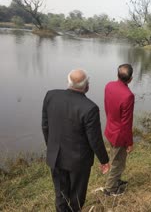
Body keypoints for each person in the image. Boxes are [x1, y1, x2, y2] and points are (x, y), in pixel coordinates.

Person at [42, 69, 110, 212]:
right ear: (87, 86)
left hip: (56, 156)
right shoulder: (90, 108)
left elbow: (45, 125)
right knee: (77, 196)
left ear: (68, 82)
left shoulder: (51, 95)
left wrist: (51, 147)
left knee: (60, 193)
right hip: (78, 161)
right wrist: (104, 160)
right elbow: (95, 139)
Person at [104, 64, 135, 196]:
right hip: (119, 135)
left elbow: (106, 107)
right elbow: (126, 123)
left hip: (110, 129)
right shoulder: (128, 95)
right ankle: (110, 189)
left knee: (116, 158)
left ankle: (116, 181)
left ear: (117, 75)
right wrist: (129, 142)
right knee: (117, 162)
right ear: (131, 79)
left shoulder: (109, 85)